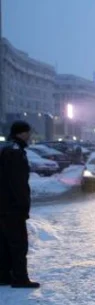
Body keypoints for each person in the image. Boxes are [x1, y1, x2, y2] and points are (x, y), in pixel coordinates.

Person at [0, 121, 41, 288]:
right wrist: (24, 206)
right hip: (12, 207)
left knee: (3, 243)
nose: (30, 136)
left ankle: (4, 276)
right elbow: (19, 184)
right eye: (28, 133)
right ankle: (20, 278)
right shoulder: (16, 153)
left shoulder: (5, 149)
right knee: (18, 243)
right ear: (22, 133)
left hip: (2, 205)